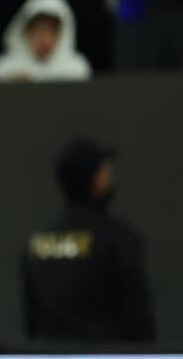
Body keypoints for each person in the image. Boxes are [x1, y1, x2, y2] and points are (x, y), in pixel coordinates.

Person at [21, 138, 155, 344]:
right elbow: (139, 320)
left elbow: (31, 322)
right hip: (108, 358)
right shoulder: (117, 240)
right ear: (97, 180)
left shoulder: (38, 244)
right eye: (105, 172)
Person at [0, 0, 92, 83]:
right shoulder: (10, 65)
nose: (45, 39)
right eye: (39, 31)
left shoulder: (76, 67)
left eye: (52, 32)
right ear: (25, 32)